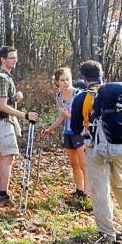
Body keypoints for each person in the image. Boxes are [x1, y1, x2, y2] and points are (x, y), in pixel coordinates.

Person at [70, 60, 122, 244]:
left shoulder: (81, 97)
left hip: (96, 148)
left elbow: (76, 127)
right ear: (102, 74)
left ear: (83, 77)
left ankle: (107, 234)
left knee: (99, 190)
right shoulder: (117, 94)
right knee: (120, 182)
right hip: (119, 145)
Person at [0, 46, 39, 206]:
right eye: (11, 58)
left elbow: (5, 101)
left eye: (15, 57)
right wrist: (25, 115)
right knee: (8, 157)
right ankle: (3, 195)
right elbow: (2, 106)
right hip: (4, 122)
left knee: (0, 154)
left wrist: (16, 97)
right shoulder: (2, 78)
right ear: (2, 59)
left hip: (2, 122)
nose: (15, 60)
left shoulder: (5, 77)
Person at [40, 67, 88, 202]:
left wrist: (69, 116)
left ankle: (87, 194)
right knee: (74, 164)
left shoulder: (78, 94)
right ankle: (79, 190)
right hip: (68, 132)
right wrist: (50, 129)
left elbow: (85, 117)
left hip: (80, 131)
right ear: (57, 82)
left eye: (68, 79)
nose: (66, 82)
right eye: (62, 80)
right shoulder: (59, 96)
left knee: (84, 164)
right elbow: (61, 117)